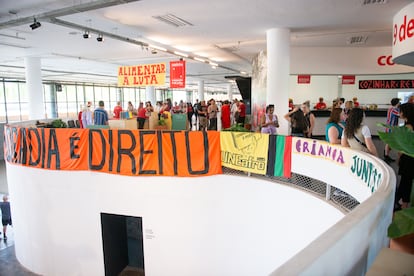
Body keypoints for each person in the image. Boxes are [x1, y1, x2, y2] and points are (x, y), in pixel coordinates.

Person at [395, 103, 414, 210]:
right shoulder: (409, 123)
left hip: (408, 158)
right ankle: (402, 201)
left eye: (401, 111)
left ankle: (404, 204)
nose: (399, 113)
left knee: (406, 180)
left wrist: (399, 156)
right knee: (406, 180)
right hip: (409, 156)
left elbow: (404, 145)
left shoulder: (408, 126)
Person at [384, 98, 400, 163]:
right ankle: (386, 156)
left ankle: (386, 154)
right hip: (390, 129)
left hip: (390, 128)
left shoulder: (391, 109)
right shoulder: (394, 110)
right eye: (399, 102)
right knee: (389, 143)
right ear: (397, 103)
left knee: (389, 143)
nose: (400, 103)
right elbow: (400, 115)